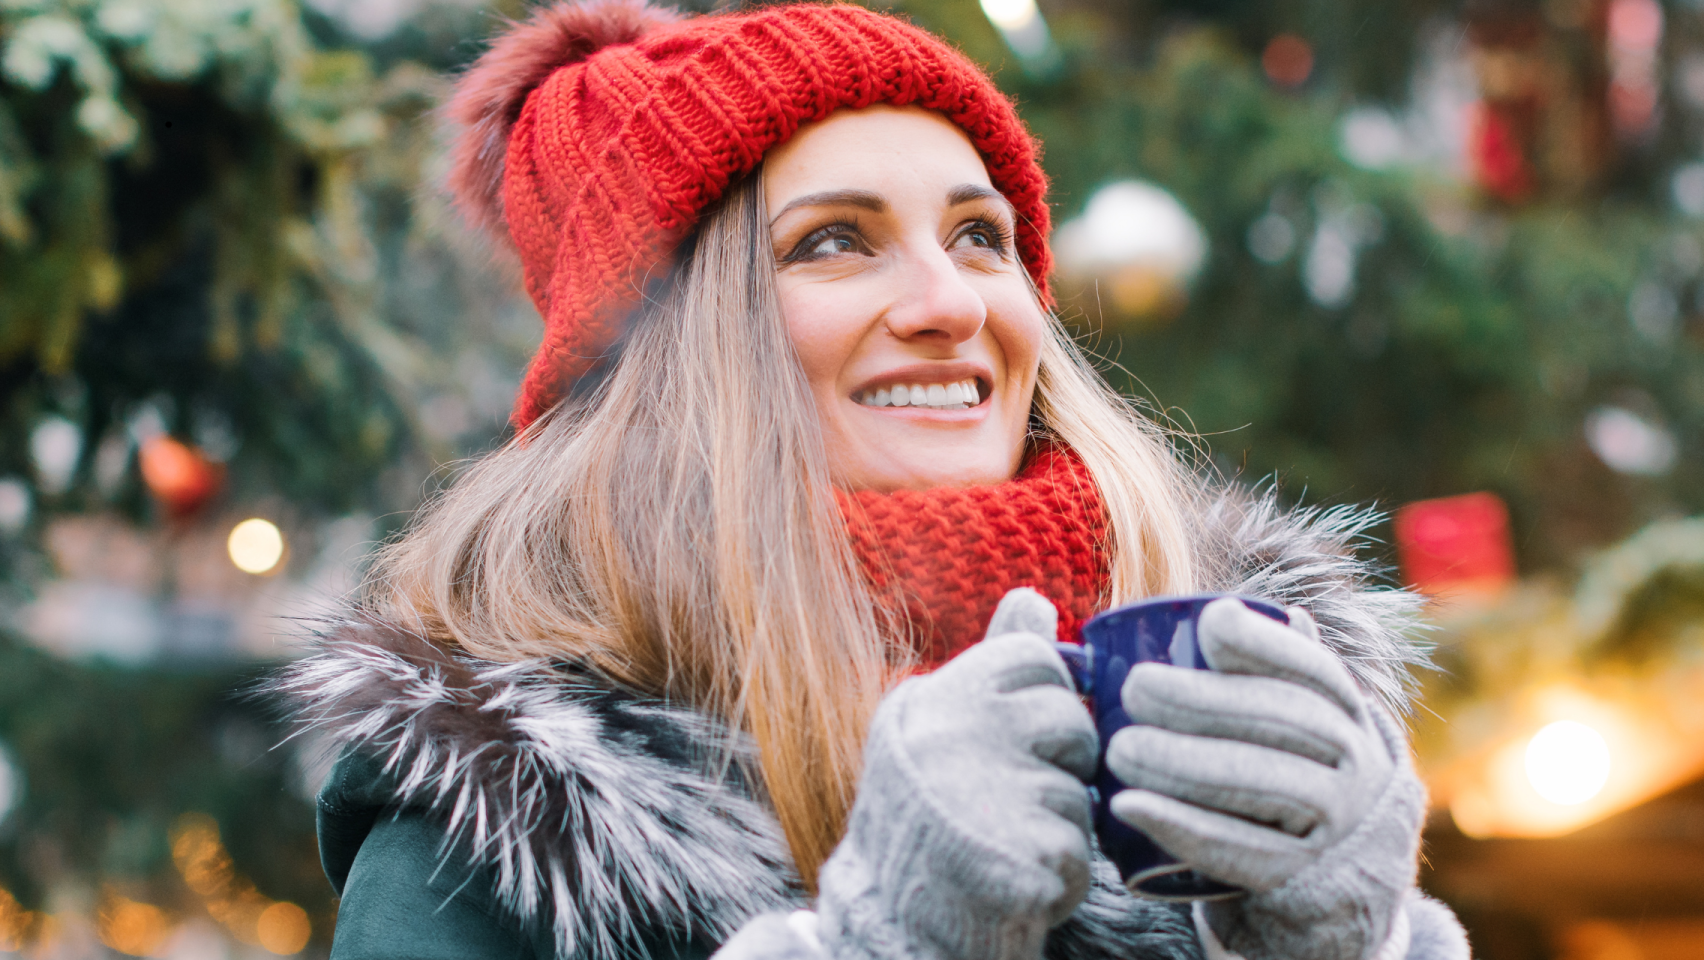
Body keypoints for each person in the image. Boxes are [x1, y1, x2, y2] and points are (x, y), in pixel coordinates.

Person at [275, 3, 1472, 959]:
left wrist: (1354, 944)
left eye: (980, 236)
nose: (952, 304)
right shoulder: (502, 833)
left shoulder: (1213, 696)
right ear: (676, 359)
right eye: (834, 240)